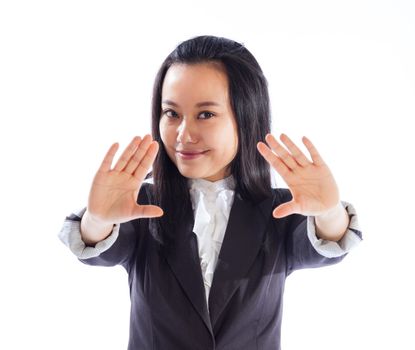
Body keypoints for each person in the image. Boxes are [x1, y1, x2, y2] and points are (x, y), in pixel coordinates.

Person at [59, 35, 362, 350]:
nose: (183, 134)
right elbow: (101, 247)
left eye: (205, 114)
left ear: (245, 117)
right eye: (171, 114)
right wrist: (96, 219)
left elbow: (325, 244)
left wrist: (328, 211)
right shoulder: (141, 205)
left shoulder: (280, 210)